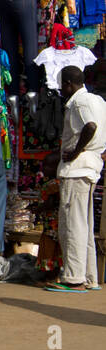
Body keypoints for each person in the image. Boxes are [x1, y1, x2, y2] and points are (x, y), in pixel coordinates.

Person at [46, 65, 106, 292]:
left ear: (68, 84)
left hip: (78, 169)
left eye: (63, 85)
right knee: (85, 224)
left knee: (73, 225)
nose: (62, 89)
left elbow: (90, 127)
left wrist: (76, 151)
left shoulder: (79, 102)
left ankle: (74, 278)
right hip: (89, 168)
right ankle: (90, 277)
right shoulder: (99, 101)